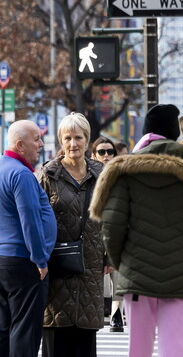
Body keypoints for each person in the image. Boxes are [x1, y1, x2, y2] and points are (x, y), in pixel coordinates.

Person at [90, 104, 183, 357]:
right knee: (175, 349)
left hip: (136, 276)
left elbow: (112, 227)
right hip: (181, 275)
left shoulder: (125, 170)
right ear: (175, 134)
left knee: (138, 350)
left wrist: (124, 265)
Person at [37, 113, 106, 357]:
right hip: (57, 269)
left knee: (85, 341)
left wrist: (110, 256)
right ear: (60, 141)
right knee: (57, 337)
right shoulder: (48, 175)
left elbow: (113, 217)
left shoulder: (102, 175)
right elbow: (36, 219)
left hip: (91, 267)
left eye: (78, 137)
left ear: (87, 141)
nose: (73, 144)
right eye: (67, 138)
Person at [0, 120, 57, 357]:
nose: (41, 144)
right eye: (36, 139)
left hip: (4, 261)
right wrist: (41, 259)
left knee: (4, 329)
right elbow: (30, 219)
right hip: (24, 261)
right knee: (25, 331)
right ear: (20, 145)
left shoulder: (3, 168)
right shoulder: (20, 174)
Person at [90, 136, 124, 333]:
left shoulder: (120, 176)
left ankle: (116, 314)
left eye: (110, 152)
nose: (106, 156)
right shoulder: (86, 175)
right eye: (101, 152)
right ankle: (98, 309)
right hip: (94, 231)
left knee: (117, 274)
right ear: (93, 154)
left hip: (116, 231)